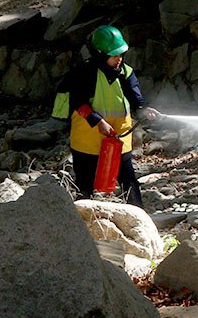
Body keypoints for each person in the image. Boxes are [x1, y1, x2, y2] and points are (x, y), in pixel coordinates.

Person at [66, 25, 157, 210]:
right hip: (87, 142)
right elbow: (77, 102)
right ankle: (83, 225)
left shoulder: (126, 72)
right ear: (100, 54)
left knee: (129, 180)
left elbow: (136, 99)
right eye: (114, 55)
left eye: (121, 54)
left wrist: (144, 109)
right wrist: (98, 121)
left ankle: (139, 218)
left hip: (119, 138)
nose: (119, 59)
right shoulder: (84, 72)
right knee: (85, 186)